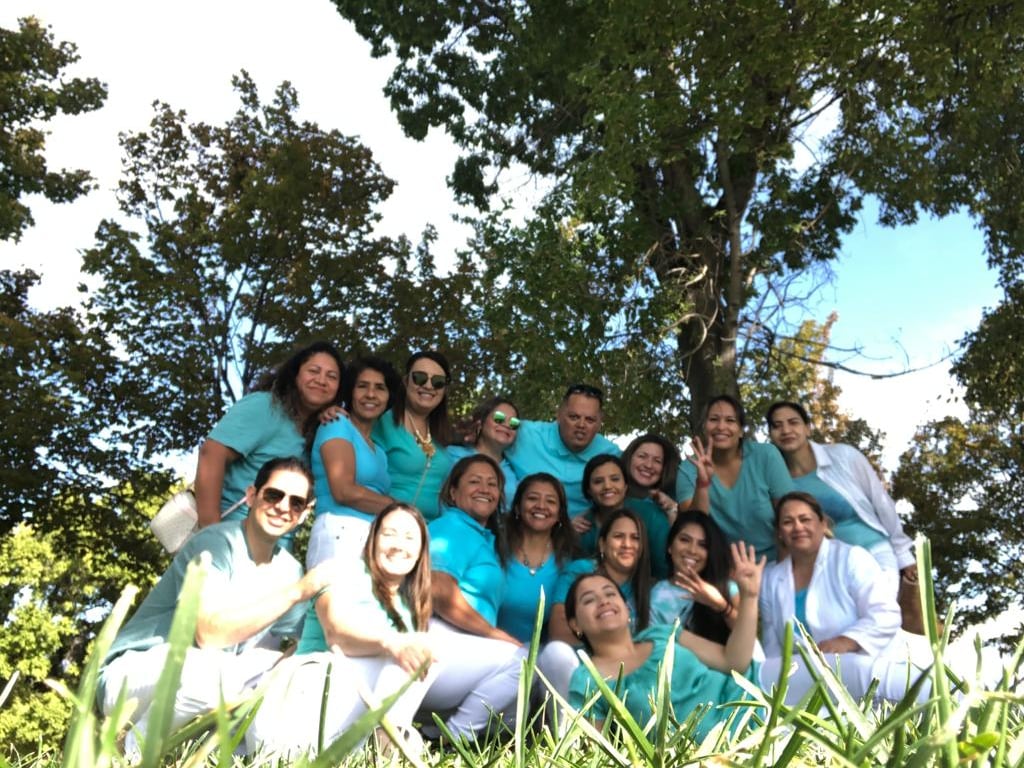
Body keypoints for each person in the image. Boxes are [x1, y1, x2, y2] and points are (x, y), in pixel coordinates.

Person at [100, 458, 331, 750]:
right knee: (215, 675)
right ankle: (129, 754)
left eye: (296, 502)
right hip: (132, 678)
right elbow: (209, 636)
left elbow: (307, 645)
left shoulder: (289, 571)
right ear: (251, 495)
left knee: (282, 688)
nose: (284, 507)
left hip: (207, 688)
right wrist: (298, 592)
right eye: (274, 495)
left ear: (302, 514)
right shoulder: (216, 544)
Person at [246, 503, 434, 758]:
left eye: (410, 537)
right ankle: (388, 737)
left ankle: (387, 736)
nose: (399, 544)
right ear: (372, 539)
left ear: (422, 550)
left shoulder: (408, 607)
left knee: (426, 648)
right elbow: (336, 633)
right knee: (415, 646)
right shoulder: (341, 570)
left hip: (343, 720)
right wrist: (390, 642)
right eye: (389, 534)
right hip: (300, 707)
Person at [566, 539, 765, 741]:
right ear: (575, 625)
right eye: (589, 600)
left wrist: (749, 596)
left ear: (627, 610)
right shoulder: (587, 680)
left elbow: (734, 662)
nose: (604, 601)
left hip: (757, 703)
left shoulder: (663, 633)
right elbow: (595, 753)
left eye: (610, 593)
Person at [759, 492, 929, 705]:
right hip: (815, 685)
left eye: (805, 519)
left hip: (877, 671)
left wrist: (845, 641)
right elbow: (773, 648)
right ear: (779, 533)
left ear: (823, 524)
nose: (798, 527)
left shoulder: (852, 557)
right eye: (787, 522)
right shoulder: (770, 579)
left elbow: (886, 615)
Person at [194, 341, 342, 547]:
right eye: (313, 371)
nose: (322, 380)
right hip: (231, 539)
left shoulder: (324, 431)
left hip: (276, 551)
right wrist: (210, 531)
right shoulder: (264, 406)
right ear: (295, 374)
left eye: (332, 376)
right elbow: (212, 454)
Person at [422, 455, 525, 739]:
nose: (485, 488)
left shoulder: (481, 536)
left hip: (462, 649)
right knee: (523, 661)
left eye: (492, 484)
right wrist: (493, 634)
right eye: (475, 481)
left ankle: (433, 732)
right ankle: (454, 739)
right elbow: (439, 593)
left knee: (521, 703)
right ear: (453, 493)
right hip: (438, 641)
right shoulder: (452, 528)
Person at [766, 400, 915, 581]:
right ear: (771, 435)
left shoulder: (843, 456)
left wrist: (903, 555)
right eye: (777, 426)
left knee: (878, 606)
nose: (786, 430)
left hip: (873, 554)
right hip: (826, 572)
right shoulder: (775, 480)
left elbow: (881, 502)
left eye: (793, 422)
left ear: (807, 428)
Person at [307, 356, 400, 567]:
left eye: (380, 388)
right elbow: (344, 491)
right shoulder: (336, 423)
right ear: (350, 391)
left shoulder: (380, 451)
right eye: (362, 386)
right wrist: (400, 508)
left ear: (389, 397)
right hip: (339, 533)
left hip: (374, 537)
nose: (370, 394)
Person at [679, 394, 794, 561]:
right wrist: (702, 484)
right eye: (713, 419)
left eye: (730, 420)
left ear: (741, 430)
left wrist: (782, 571)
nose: (721, 426)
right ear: (704, 427)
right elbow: (694, 527)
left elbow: (788, 514)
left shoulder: (766, 456)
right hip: (719, 567)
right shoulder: (688, 468)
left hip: (773, 561)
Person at [505, 384, 620, 519]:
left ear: (600, 422)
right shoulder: (525, 434)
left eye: (590, 420)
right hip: (522, 528)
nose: (581, 425)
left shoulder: (611, 455)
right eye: (574, 417)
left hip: (581, 535)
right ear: (558, 415)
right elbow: (487, 433)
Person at [497, 473, 584, 644]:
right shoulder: (495, 548)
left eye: (551, 501)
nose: (541, 506)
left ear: (560, 514)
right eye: (532, 498)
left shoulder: (571, 562)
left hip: (542, 661)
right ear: (517, 507)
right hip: (489, 649)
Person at [372, 351, 455, 521]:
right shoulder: (381, 421)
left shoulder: (442, 434)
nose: (429, 386)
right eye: (420, 378)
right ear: (405, 381)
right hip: (388, 525)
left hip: (431, 534)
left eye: (438, 382)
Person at [620, 434, 712, 579]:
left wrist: (672, 511)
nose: (648, 465)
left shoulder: (675, 501)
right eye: (642, 456)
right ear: (629, 457)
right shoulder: (612, 496)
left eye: (657, 461)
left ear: (665, 468)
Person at [649, 511, 739, 643]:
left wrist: (721, 606)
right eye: (685, 540)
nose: (692, 550)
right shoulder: (657, 595)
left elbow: (748, 640)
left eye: (702, 545)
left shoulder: (727, 588)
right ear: (670, 546)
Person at [448, 396, 521, 505]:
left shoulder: (515, 473)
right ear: (480, 423)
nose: (507, 425)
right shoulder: (450, 455)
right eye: (499, 418)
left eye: (514, 423)